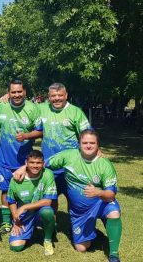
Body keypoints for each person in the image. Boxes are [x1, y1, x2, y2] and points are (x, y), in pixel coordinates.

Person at [14, 129, 122, 262]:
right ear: (79, 144)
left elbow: (111, 195)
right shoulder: (68, 156)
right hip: (80, 212)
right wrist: (24, 168)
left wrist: (98, 192)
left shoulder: (105, 164)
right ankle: (94, 234)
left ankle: (114, 254)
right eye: (85, 142)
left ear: (98, 145)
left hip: (100, 202)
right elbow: (42, 163)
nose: (88, 146)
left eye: (92, 143)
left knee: (114, 212)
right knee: (81, 248)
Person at [0, 79, 42, 234]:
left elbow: (41, 131)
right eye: (13, 92)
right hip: (4, 159)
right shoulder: (1, 106)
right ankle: (6, 222)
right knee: (6, 191)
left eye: (19, 91)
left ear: (25, 92)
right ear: (8, 93)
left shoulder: (33, 108)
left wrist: (27, 135)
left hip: (25, 161)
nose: (16, 95)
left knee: (27, 190)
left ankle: (28, 218)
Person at [38, 83, 91, 205]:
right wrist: (6, 97)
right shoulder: (41, 109)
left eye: (60, 95)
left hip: (71, 166)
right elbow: (25, 106)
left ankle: (76, 224)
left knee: (75, 201)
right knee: (49, 201)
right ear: (49, 97)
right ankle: (50, 224)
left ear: (66, 95)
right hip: (48, 164)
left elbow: (87, 135)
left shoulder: (75, 112)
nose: (57, 98)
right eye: (53, 96)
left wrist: (95, 151)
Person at [7, 150, 57, 256]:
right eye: (32, 163)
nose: (35, 166)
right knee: (16, 247)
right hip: (25, 215)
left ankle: (47, 239)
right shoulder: (16, 178)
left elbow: (48, 201)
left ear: (43, 164)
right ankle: (31, 229)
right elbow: (11, 201)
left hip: (40, 209)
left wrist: (25, 206)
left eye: (38, 163)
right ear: (26, 163)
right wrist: (16, 219)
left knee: (47, 212)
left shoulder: (48, 174)